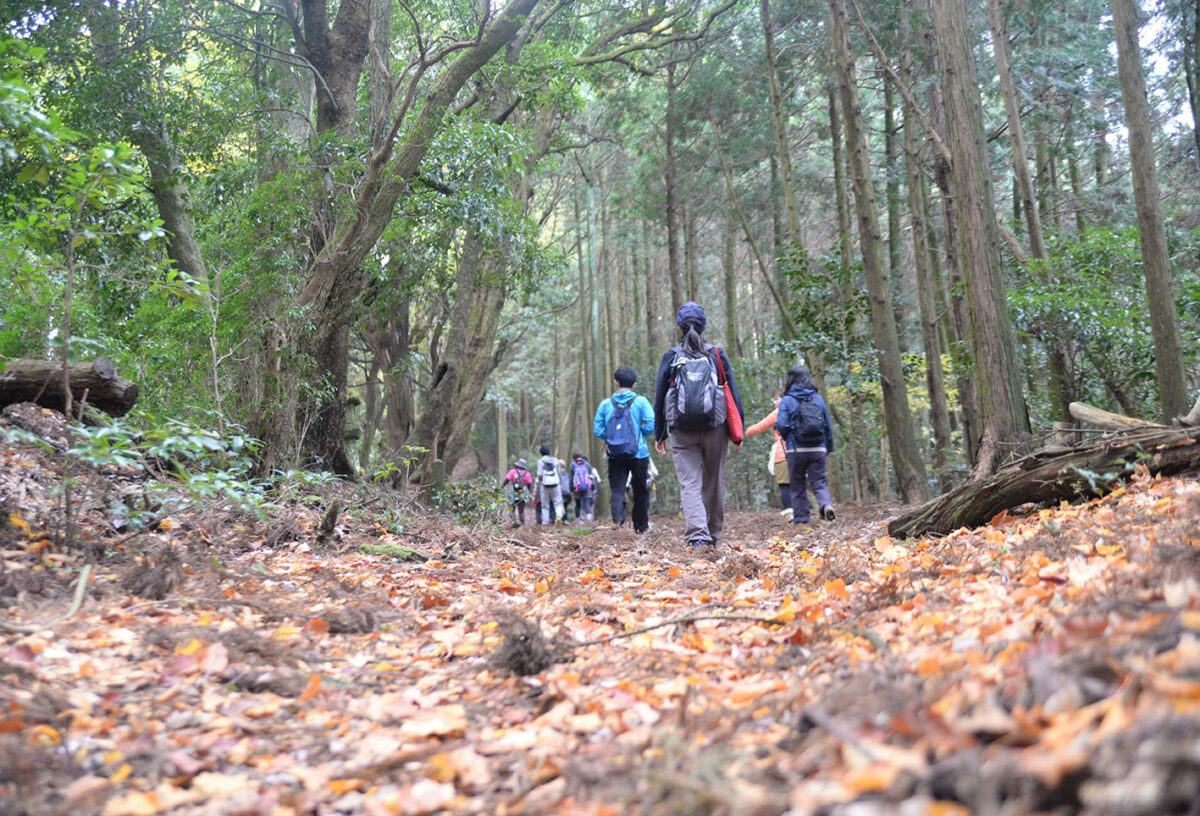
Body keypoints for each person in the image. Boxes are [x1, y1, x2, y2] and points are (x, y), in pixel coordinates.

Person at [653, 302, 743, 550]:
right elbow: (732, 393)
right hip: (716, 426)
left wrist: (660, 432)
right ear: (703, 327)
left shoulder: (671, 356)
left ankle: (697, 537)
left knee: (690, 483)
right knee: (714, 482)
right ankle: (713, 536)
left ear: (679, 327)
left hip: (681, 431)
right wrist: (738, 430)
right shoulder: (716, 354)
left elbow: (660, 397)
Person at [593, 365, 656, 532]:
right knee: (641, 490)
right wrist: (640, 434)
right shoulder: (641, 402)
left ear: (616, 382)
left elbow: (597, 428)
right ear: (634, 384)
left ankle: (618, 524)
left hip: (614, 454)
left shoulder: (606, 404)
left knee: (617, 490)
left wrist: (609, 439)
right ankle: (641, 527)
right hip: (639, 452)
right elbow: (650, 424)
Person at [774, 364, 835, 525]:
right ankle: (825, 504)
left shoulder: (787, 400)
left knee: (797, 484)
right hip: (818, 447)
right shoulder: (818, 398)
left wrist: (788, 436)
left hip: (796, 448)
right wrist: (829, 447)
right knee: (819, 482)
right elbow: (828, 424)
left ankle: (801, 519)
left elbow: (780, 424)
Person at [745, 390, 793, 520]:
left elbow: (762, 425)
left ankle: (790, 513)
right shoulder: (797, 409)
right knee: (797, 483)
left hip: (783, 453)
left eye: (776, 399)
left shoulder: (779, 412)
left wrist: (746, 432)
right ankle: (801, 512)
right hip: (799, 452)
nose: (775, 402)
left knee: (784, 484)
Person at [535, 444, 566, 525]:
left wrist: (536, 487)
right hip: (556, 484)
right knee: (557, 502)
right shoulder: (555, 460)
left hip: (544, 485)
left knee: (545, 505)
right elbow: (559, 473)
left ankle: (545, 522)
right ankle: (559, 517)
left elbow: (539, 474)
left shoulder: (540, 461)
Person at [503, 458, 534, 526]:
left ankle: (514, 522)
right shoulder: (527, 474)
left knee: (512, 508)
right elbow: (529, 484)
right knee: (521, 510)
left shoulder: (513, 471)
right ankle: (522, 524)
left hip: (513, 492)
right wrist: (527, 492)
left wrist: (502, 487)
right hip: (523, 492)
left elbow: (507, 480)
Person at [569, 451, 597, 523]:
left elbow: (571, 478)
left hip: (577, 487)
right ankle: (589, 519)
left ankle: (578, 521)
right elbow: (591, 476)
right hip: (587, 487)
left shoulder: (572, 465)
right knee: (587, 503)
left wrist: (571, 489)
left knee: (577, 504)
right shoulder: (587, 464)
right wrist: (593, 488)